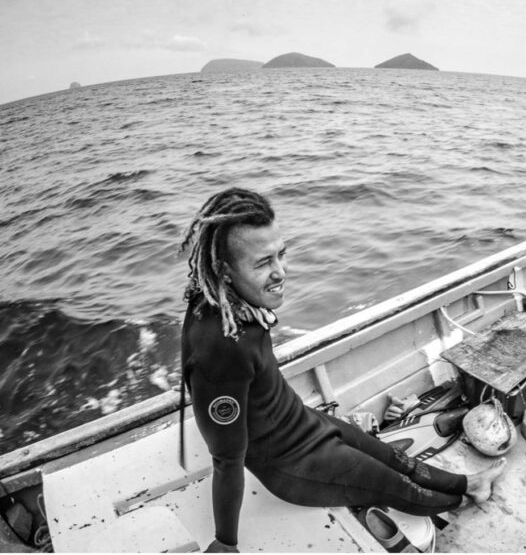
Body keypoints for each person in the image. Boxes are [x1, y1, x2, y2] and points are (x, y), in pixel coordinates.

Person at [179, 187, 504, 553]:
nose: (280, 272)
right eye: (262, 263)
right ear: (222, 269)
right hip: (292, 463)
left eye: (280, 255)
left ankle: (468, 482)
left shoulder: (232, 303)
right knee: (393, 484)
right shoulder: (220, 351)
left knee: (394, 458)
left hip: (302, 421)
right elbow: (225, 459)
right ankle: (464, 498)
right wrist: (225, 543)